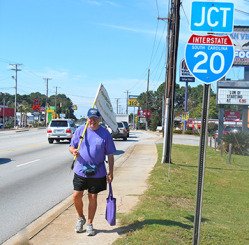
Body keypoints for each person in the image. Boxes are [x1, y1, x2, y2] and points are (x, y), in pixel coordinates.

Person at [69, 108, 116, 236]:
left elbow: (110, 155)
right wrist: (73, 151)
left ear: (99, 119)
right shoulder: (80, 130)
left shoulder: (105, 134)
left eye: (95, 118)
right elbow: (71, 146)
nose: (93, 121)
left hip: (98, 171)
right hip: (81, 170)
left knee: (93, 196)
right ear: (87, 118)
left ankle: (89, 224)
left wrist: (110, 172)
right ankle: (80, 218)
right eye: (91, 118)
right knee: (76, 195)